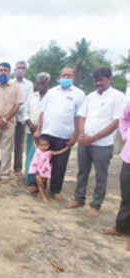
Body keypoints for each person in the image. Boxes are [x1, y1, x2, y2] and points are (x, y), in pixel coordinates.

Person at [65, 67, 127, 217]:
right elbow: (81, 116)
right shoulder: (90, 96)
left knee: (101, 176)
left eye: (101, 80)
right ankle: (79, 199)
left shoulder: (118, 97)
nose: (98, 83)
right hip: (85, 142)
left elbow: (116, 122)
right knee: (82, 172)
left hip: (103, 145)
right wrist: (81, 134)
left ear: (109, 79)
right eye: (96, 80)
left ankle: (96, 205)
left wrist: (93, 138)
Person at [34, 66, 85, 200]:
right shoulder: (51, 92)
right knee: (42, 163)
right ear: (59, 77)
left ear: (73, 77)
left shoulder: (79, 94)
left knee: (60, 165)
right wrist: (38, 130)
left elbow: (79, 117)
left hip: (65, 136)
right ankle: (40, 187)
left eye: (69, 76)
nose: (65, 78)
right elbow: (42, 112)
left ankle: (55, 190)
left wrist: (75, 136)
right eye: (63, 75)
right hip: (47, 133)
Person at [102, 100, 130, 237]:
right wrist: (125, 135)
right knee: (127, 195)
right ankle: (122, 228)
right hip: (129, 157)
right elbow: (123, 118)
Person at [24, 72, 50, 187]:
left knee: (42, 157)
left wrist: (40, 127)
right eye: (39, 83)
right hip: (31, 131)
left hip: (46, 132)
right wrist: (30, 124)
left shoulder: (52, 97)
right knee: (31, 154)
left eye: (43, 83)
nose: (41, 86)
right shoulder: (32, 96)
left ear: (47, 83)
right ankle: (29, 179)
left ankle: (39, 181)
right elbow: (25, 112)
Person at [29, 135, 69, 203]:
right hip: (37, 169)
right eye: (42, 145)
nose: (44, 147)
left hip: (45, 170)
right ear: (38, 145)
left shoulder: (49, 153)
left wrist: (67, 148)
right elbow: (34, 143)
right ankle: (43, 197)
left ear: (48, 145)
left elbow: (58, 152)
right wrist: (33, 138)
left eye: (45, 145)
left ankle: (40, 193)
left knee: (43, 182)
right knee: (40, 183)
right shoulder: (37, 149)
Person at [12, 61, 34, 176]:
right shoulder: (10, 82)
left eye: (23, 68)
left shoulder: (29, 84)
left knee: (18, 144)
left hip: (21, 118)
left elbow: (28, 101)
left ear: (25, 70)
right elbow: (8, 99)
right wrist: (12, 113)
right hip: (9, 117)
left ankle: (17, 168)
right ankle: (2, 163)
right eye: (18, 68)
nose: (20, 70)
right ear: (15, 70)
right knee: (6, 143)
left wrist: (18, 111)